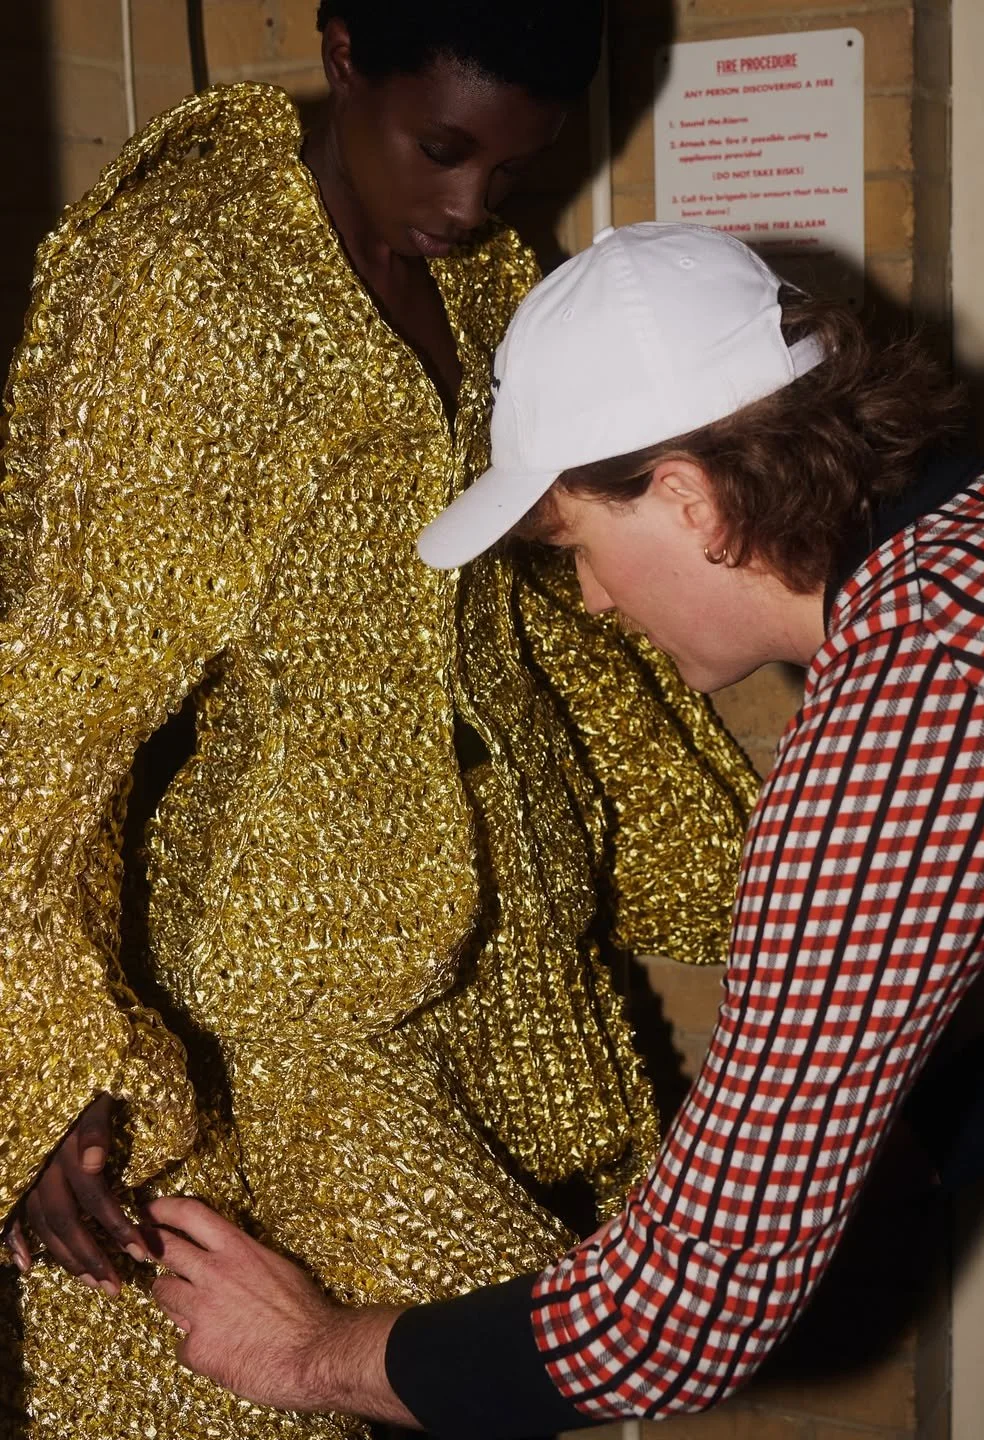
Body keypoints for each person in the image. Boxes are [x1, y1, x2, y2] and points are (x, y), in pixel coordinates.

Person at [146, 222, 984, 1436]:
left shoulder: (914, 710)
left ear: (688, 499)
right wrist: (892, 1149)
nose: (590, 597)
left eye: (580, 545)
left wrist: (312, 1353)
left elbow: (678, 1321)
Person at [0, 4, 759, 1425]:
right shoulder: (194, 285)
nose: (469, 208)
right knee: (531, 1377)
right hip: (282, 994)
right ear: (348, 53)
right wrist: (37, 1070)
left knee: (490, 1372)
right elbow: (57, 696)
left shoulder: (483, 289)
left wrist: (745, 868)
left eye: (511, 177)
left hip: (505, 957)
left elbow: (542, 617)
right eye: (441, 149)